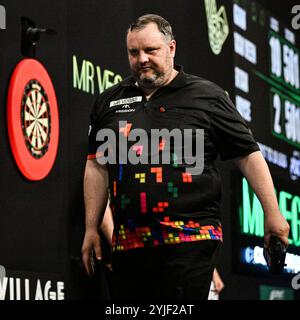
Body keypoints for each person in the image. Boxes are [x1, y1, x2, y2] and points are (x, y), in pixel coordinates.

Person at [81, 14, 290, 300]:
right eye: (134, 52)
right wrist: (92, 227)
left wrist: (273, 213)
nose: (142, 59)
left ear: (171, 48)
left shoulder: (207, 96)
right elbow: (96, 165)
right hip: (129, 244)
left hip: (190, 239)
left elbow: (247, 154)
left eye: (150, 50)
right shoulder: (108, 102)